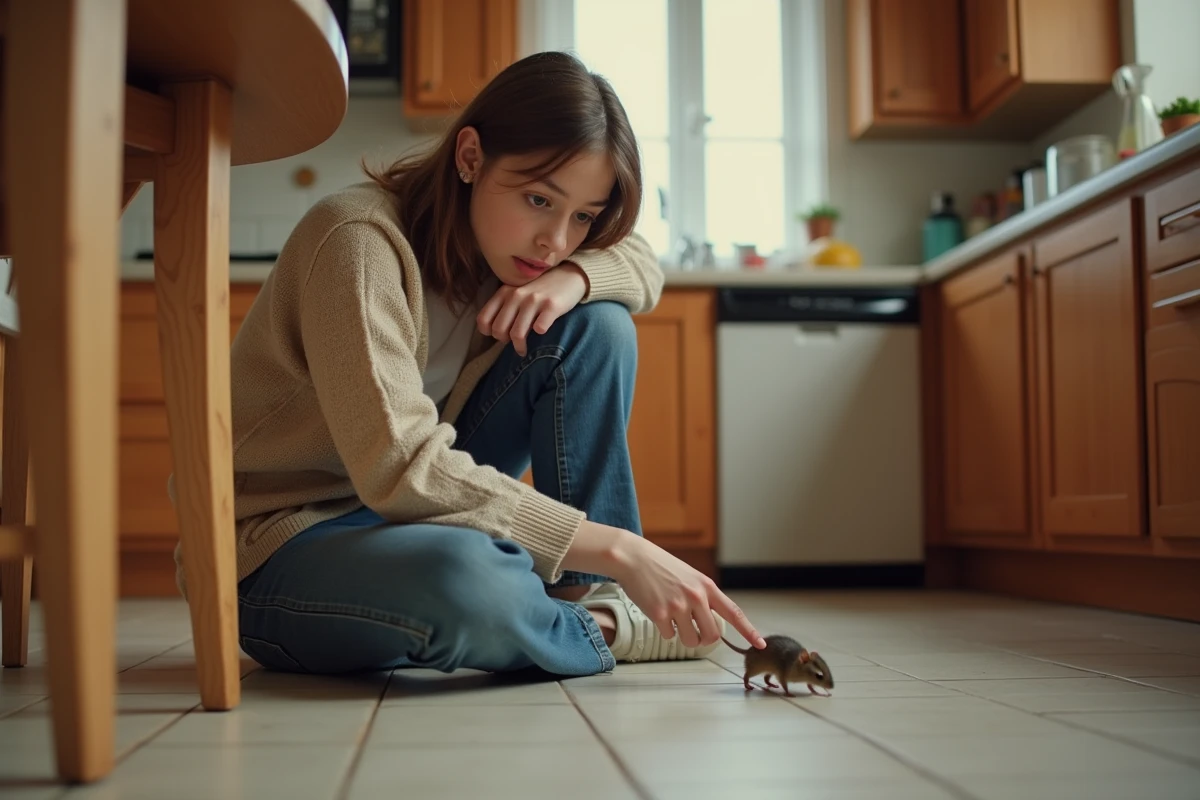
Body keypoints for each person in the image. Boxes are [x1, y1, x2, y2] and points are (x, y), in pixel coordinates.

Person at [175, 50, 765, 678]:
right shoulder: (357, 241)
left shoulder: (521, 254)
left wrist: (574, 279)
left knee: (599, 324)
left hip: (412, 512)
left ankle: (586, 595)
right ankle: (606, 624)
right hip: (284, 544)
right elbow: (400, 467)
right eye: (538, 199)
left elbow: (641, 260)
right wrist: (623, 547)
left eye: (582, 217)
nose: (555, 241)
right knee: (467, 580)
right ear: (470, 157)